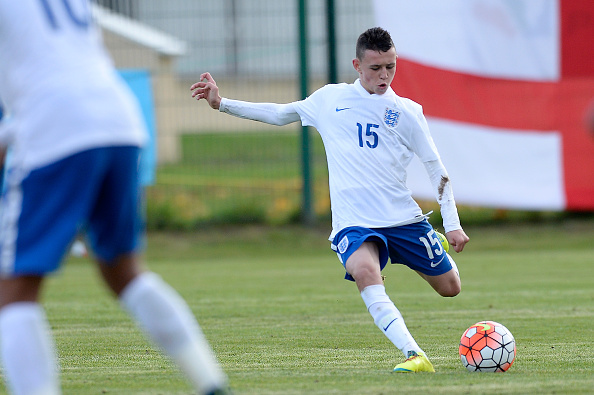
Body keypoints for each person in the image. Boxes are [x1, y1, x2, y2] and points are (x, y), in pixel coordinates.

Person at [191, 26, 469, 373]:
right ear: (357, 65)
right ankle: (415, 355)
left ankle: (434, 242)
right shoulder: (330, 100)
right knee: (367, 272)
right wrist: (221, 104)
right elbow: (279, 114)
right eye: (375, 68)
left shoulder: (408, 112)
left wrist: (453, 224)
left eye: (390, 67)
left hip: (402, 219)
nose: (384, 75)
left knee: (450, 288)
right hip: (354, 222)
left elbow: (436, 170)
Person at [0, 2, 230, 394]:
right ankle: (211, 383)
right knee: (123, 271)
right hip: (118, 118)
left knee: (14, 289)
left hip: (56, 124)